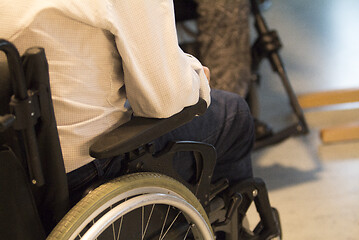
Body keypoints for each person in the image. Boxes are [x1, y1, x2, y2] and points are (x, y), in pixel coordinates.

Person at [0, 0, 254, 202]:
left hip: (11, 173)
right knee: (233, 114)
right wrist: (196, 77)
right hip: (83, 172)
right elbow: (163, 101)